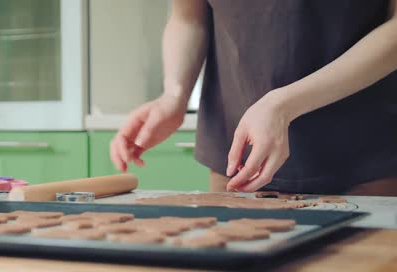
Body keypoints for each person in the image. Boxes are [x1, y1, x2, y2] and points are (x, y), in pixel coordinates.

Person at [110, 0, 397, 196]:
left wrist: (283, 105)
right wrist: (174, 93)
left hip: (363, 157)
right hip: (237, 157)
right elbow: (188, 18)